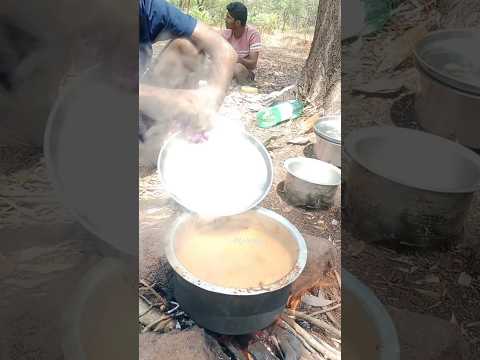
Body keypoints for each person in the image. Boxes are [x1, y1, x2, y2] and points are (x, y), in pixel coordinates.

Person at [139, 0, 237, 144]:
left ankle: (171, 124)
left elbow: (224, 50)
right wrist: (172, 99)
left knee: (189, 46)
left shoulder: (148, 6)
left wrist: (212, 99)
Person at [223, 2, 261, 85]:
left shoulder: (253, 34)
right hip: (227, 70)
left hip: (246, 73)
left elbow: (252, 64)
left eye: (228, 17)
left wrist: (237, 59)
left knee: (237, 68)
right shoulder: (226, 34)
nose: (225, 19)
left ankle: (245, 91)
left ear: (238, 23)